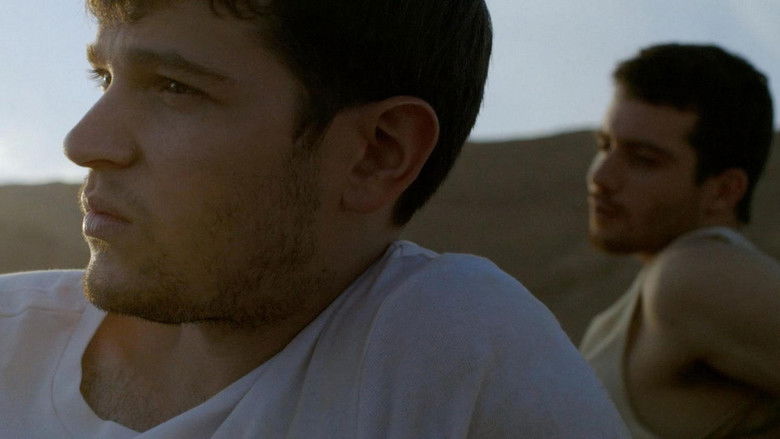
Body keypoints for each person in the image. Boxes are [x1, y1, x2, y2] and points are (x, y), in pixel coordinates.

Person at [0, 0, 628, 437]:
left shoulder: (450, 348)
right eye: (103, 77)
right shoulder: (10, 337)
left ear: (377, 152)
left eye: (174, 87)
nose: (83, 142)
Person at [580, 43, 780, 438]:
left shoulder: (693, 276)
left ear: (723, 191)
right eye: (604, 146)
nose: (601, 177)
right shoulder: (665, 290)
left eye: (643, 159)